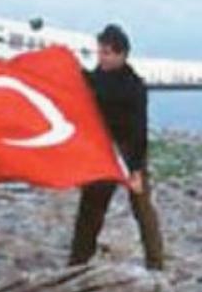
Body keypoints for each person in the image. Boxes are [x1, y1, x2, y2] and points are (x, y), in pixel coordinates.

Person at [69, 24, 164, 270]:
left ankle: (155, 262)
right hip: (102, 149)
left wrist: (136, 169)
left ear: (122, 55)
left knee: (142, 208)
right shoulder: (95, 78)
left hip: (128, 150)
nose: (102, 57)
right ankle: (78, 261)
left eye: (107, 53)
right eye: (100, 52)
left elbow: (139, 129)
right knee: (91, 207)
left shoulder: (134, 86)